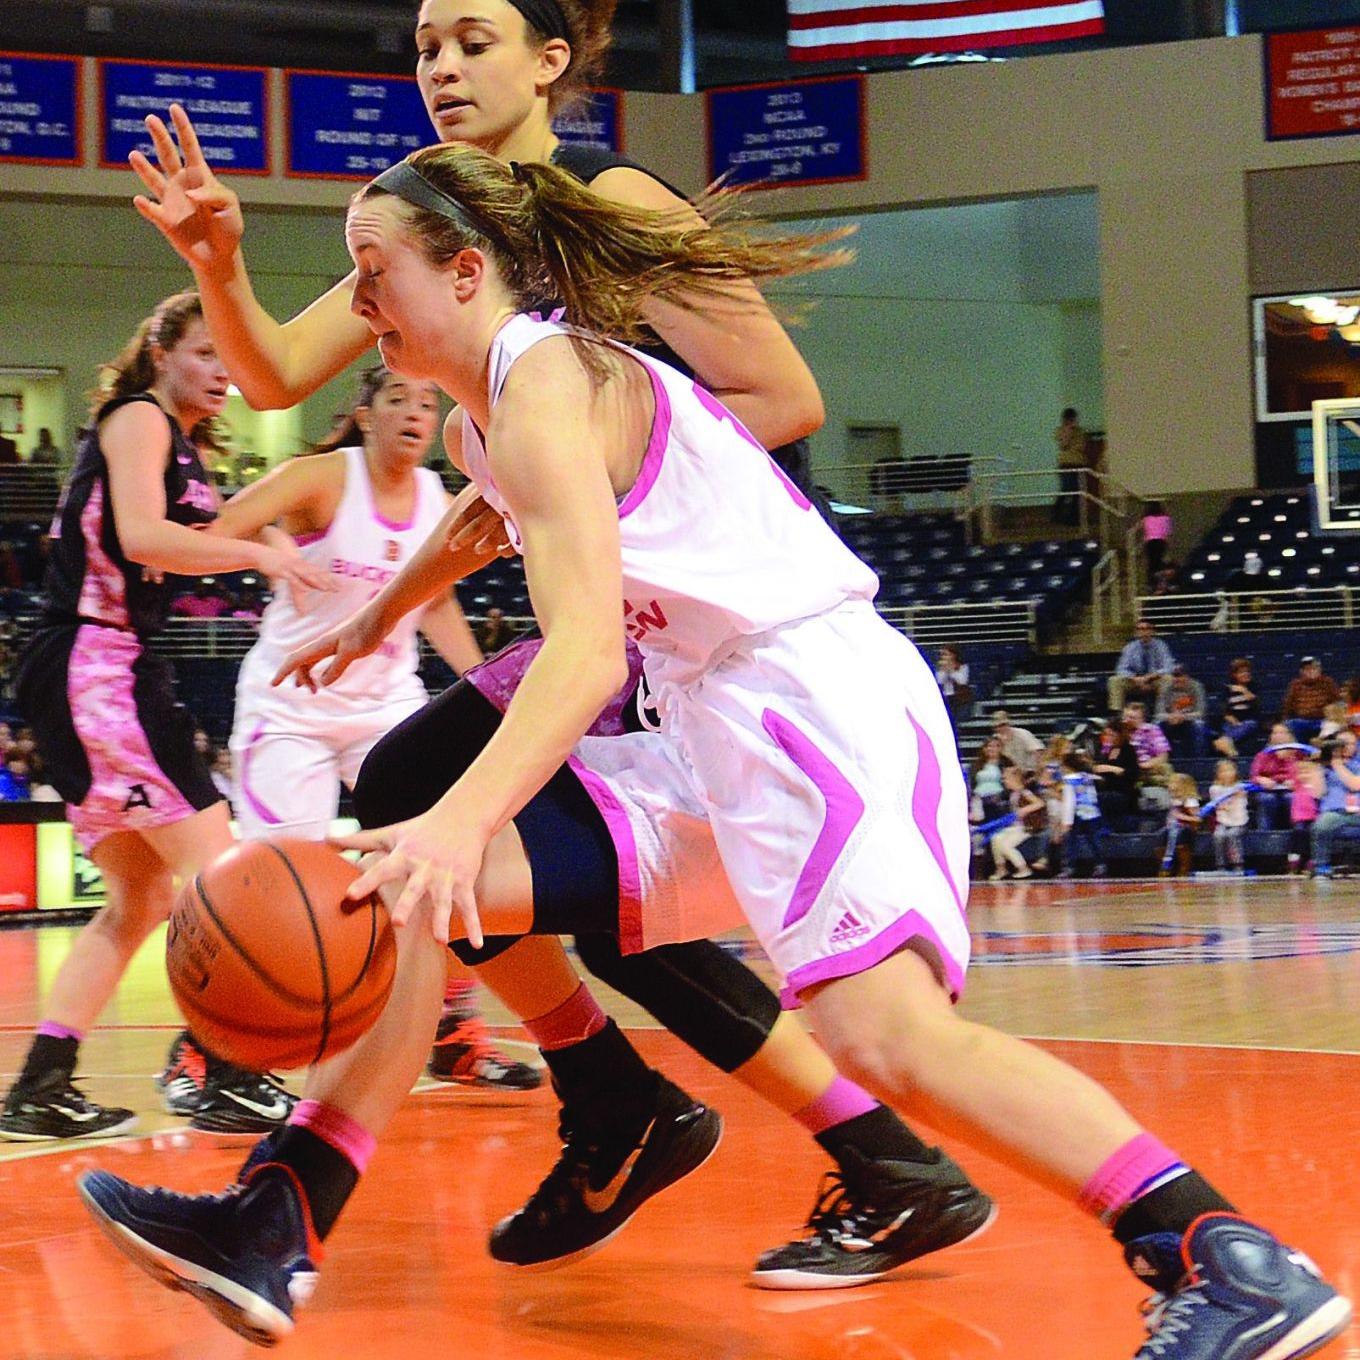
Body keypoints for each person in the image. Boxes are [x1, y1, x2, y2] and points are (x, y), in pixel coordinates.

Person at [80, 146, 1351, 1359]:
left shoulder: (545, 386)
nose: (356, 303)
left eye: (374, 271)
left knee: (889, 1038)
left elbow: (577, 655)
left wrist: (461, 814)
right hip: (701, 727)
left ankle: (1221, 1256)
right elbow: (487, 527)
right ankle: (281, 1216)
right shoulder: (490, 421)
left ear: (467, 272)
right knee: (403, 883)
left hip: (810, 708)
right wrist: (375, 614)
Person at [115, 14, 991, 1286]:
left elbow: (779, 396)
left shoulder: (608, 199)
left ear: (550, 62)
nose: (442, 68)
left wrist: (579, 460)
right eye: (424, 44)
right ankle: (767, 1133)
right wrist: (217, 262)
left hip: (687, 625)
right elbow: (274, 376)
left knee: (434, 815)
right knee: (460, 826)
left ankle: (628, 1110)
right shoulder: (430, 224)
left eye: (474, 39)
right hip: (602, 617)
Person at [0, 291, 329, 1141]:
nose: (225, 371)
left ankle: (41, 1085)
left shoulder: (178, 445)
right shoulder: (139, 418)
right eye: (208, 353)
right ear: (162, 352)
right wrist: (259, 554)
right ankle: (217, 1067)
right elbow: (146, 538)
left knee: (141, 895)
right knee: (224, 875)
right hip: (95, 661)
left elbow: (208, 527)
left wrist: (276, 542)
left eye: (230, 358)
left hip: (100, 666)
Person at [183, 362, 537, 1112]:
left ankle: (453, 1031)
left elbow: (436, 602)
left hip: (383, 706)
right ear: (367, 413)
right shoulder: (323, 480)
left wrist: (483, 686)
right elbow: (219, 522)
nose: (416, 411)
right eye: (400, 398)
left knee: (445, 851)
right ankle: (208, 1054)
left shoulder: (439, 496)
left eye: (428, 400)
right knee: (282, 876)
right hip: (294, 704)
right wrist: (271, 545)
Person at [1310, 732, 1360, 878]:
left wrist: (1337, 765)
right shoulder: (1325, 767)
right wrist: (1317, 768)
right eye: (1341, 743)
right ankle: (1321, 865)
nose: (1345, 746)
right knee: (1321, 825)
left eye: (1350, 743)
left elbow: (1356, 785)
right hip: (1335, 811)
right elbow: (1318, 793)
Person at [987, 765, 1044, 881]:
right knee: (996, 838)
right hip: (1015, 827)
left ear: (1015, 779)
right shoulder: (1013, 794)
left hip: (1026, 827)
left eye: (1006, 778)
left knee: (1005, 845)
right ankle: (1001, 868)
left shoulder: (1025, 792)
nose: (1004, 781)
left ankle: (1023, 868)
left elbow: (1040, 803)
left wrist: (1025, 810)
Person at [1250, 723, 1309, 830]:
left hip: (1292, 789)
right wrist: (1261, 779)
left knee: (1291, 798)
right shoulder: (1263, 755)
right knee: (1267, 799)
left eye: (1282, 732)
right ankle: (1265, 836)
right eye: (1275, 733)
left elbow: (1306, 772)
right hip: (1268, 789)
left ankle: (1298, 833)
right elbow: (1254, 776)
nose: (1278, 735)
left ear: (1289, 735)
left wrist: (1294, 780)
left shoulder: (1299, 753)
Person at [1108, 619, 1174, 712]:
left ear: (1152, 631)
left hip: (1153, 681)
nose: (1144, 632)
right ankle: (1117, 714)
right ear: (1136, 632)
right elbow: (1121, 669)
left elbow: (1169, 667)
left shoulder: (1161, 646)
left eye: (1147, 629)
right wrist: (1135, 678)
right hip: (1135, 682)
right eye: (1140, 629)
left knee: (1168, 678)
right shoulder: (1130, 647)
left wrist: (1148, 677)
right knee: (1114, 680)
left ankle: (1161, 712)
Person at [1282, 656, 1341, 744]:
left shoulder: (1328, 682)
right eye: (1307, 669)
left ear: (1320, 670)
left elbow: (1337, 702)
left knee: (1333, 725)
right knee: (1290, 724)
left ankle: (1326, 752)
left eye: (1314, 668)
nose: (1311, 671)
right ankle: (1301, 751)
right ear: (1301, 671)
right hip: (1302, 720)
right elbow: (1288, 705)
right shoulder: (1295, 684)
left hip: (1323, 719)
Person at [1154, 663, 1207, 760]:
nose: (1177, 679)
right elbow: (1158, 713)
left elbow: (1201, 712)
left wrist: (1183, 717)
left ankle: (1198, 761)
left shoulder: (1196, 687)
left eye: (1180, 676)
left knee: (1199, 726)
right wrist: (1171, 717)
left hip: (1190, 721)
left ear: (1187, 676)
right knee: (1156, 726)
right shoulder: (1165, 688)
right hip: (1170, 721)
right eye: (1174, 676)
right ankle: (1162, 759)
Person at [1207, 760, 1248, 874]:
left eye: (1229, 770)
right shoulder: (1215, 789)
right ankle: (1220, 865)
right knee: (1218, 836)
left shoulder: (1241, 787)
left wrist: (1237, 794)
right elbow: (1217, 805)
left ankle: (1238, 864)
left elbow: (1241, 802)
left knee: (1232, 835)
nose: (1226, 774)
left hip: (1239, 821)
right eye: (1223, 771)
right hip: (1223, 821)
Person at [1214, 657, 1260, 757]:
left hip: (1248, 721)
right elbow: (1223, 709)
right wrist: (1229, 717)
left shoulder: (1254, 686)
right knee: (1226, 727)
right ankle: (1230, 751)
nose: (1246, 674)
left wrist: (1244, 691)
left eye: (1247, 672)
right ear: (1234, 675)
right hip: (1232, 721)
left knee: (1250, 724)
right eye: (1241, 672)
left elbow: (1256, 706)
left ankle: (1224, 742)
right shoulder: (1227, 689)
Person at [1159, 772, 1200, 877]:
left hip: (1186, 828)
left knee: (1178, 833)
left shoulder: (1190, 800)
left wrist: (1181, 817)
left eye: (1173, 782)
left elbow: (1197, 819)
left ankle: (1183, 867)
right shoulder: (1172, 800)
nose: (1170, 785)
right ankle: (1166, 865)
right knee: (1162, 834)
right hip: (1172, 827)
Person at [1052, 406, 1087, 525]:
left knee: (1077, 492)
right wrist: (1068, 430)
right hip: (1066, 464)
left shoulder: (1080, 431)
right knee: (1066, 489)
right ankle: (1056, 514)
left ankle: (1074, 518)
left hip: (1078, 463)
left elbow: (1082, 446)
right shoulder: (1060, 430)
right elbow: (1064, 445)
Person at [990, 709, 1042, 773]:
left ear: (1008, 724)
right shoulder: (995, 739)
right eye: (996, 727)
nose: (999, 729)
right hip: (1008, 773)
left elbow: (1038, 751)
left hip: (1028, 771)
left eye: (1002, 725)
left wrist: (1036, 771)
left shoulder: (1023, 734)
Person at [934, 643, 971, 723]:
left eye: (946, 654)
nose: (943, 657)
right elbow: (939, 681)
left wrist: (951, 670)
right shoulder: (940, 667)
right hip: (946, 697)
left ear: (953, 655)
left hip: (958, 698)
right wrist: (944, 671)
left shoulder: (963, 667)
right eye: (942, 655)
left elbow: (962, 681)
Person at [1140, 499, 1171, 586]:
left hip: (1150, 542)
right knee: (1159, 561)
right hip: (1161, 541)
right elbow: (1167, 532)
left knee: (1151, 562)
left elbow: (1144, 529)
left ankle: (1151, 581)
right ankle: (1160, 581)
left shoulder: (1146, 519)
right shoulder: (1165, 518)